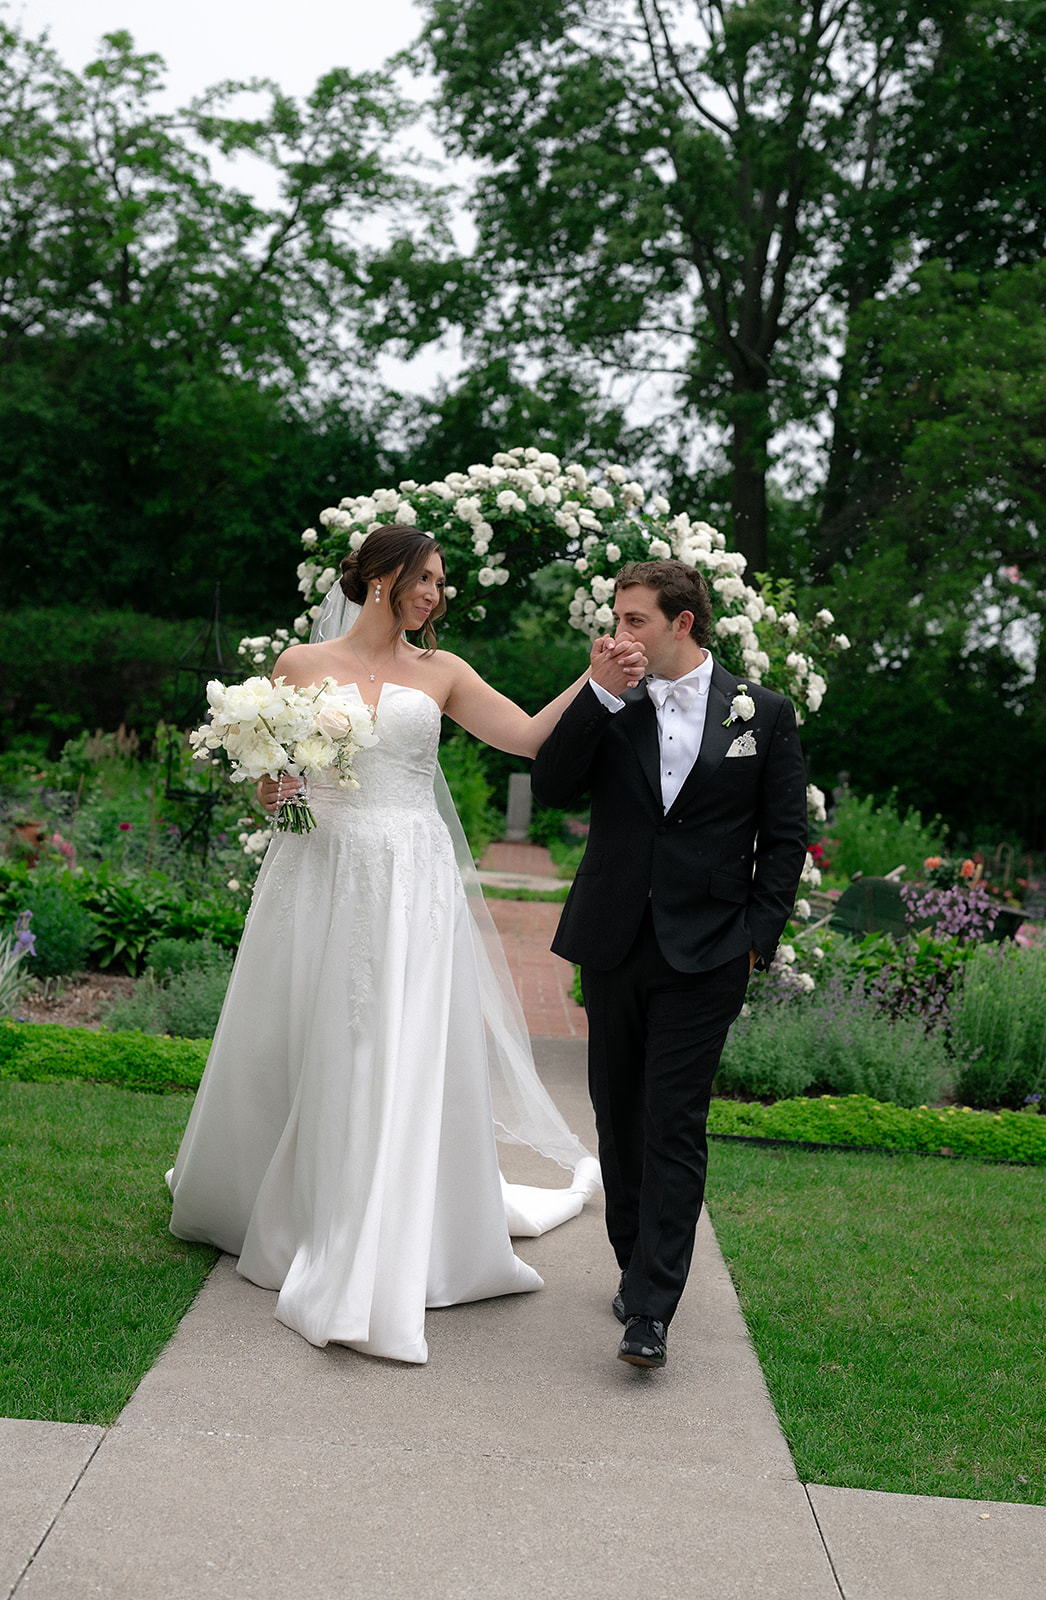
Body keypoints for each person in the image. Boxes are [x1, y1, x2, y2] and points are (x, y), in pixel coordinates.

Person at [167, 523, 645, 1365]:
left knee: (394, 1039)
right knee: (311, 1029)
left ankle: (386, 1214)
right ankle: (293, 1199)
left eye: (441, 581)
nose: (436, 593)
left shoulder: (445, 673)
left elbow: (529, 737)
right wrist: (272, 791)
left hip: (411, 878)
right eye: (426, 578)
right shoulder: (298, 669)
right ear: (382, 579)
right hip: (319, 872)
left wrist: (595, 680)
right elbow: (272, 791)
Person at [531, 559, 808, 1369]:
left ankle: (652, 1309)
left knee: (674, 1125)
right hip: (614, 940)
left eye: (634, 620)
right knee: (618, 1117)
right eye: (618, 619)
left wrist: (756, 935)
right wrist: (597, 693)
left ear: (681, 623)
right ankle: (630, 1265)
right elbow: (550, 786)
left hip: (710, 950)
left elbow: (782, 837)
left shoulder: (764, 712)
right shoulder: (611, 700)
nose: (619, 634)